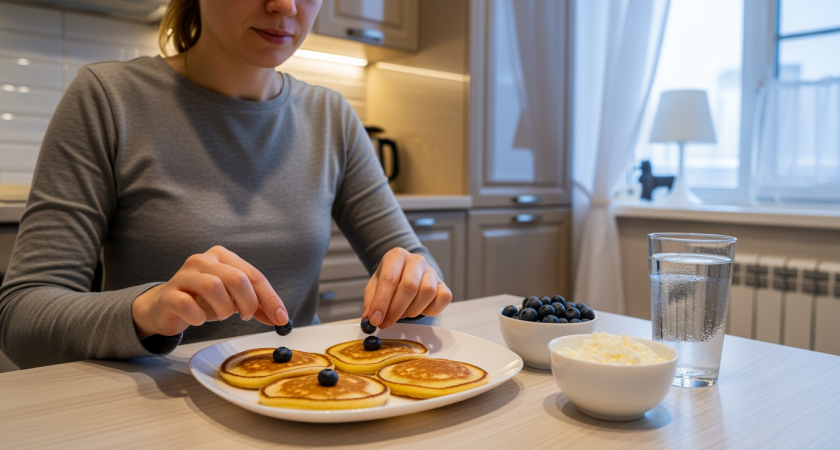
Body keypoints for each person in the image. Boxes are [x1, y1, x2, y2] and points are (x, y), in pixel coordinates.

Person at [0, 0, 451, 369]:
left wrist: (416, 279)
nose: (284, 5)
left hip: (299, 396)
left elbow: (415, 264)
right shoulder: (107, 98)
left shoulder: (331, 116)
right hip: (150, 408)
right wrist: (148, 309)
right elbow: (22, 318)